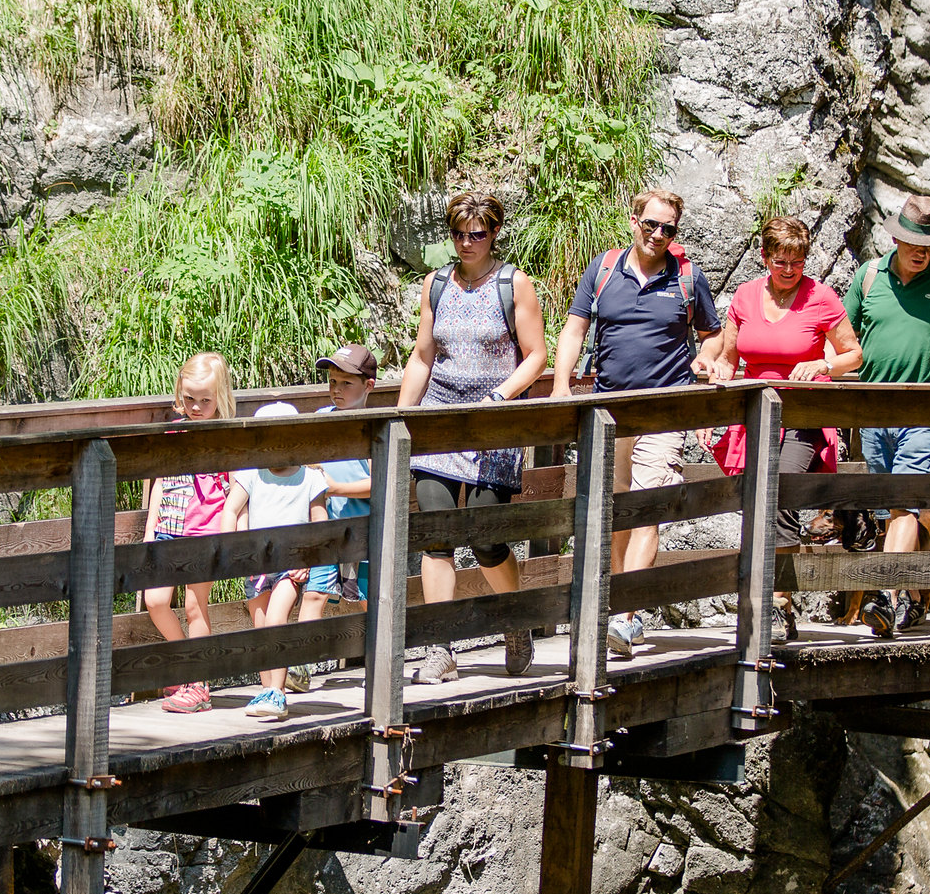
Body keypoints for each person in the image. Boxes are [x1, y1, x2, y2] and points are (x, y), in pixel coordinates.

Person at [550, 188, 723, 657]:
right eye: (652, 225)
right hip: (609, 412)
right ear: (634, 222)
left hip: (664, 413)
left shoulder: (687, 277)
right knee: (614, 512)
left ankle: (625, 618)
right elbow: (575, 327)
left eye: (669, 228)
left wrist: (707, 359)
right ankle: (612, 604)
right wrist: (562, 383)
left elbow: (712, 335)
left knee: (648, 508)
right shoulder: (604, 270)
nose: (659, 235)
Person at [397, 193, 549, 684]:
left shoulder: (513, 284)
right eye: (459, 234)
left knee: (485, 536)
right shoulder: (436, 283)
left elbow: (535, 355)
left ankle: (514, 619)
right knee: (437, 535)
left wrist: (501, 397)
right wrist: (403, 416)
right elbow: (423, 357)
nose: (466, 243)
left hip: (493, 422)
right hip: (441, 418)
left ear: (494, 234)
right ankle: (439, 647)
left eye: (477, 234)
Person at [702, 217, 862, 640]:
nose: (789, 270)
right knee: (758, 501)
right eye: (780, 261)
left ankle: (778, 603)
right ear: (764, 257)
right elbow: (730, 357)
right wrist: (719, 368)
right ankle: (772, 602)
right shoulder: (745, 295)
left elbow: (854, 354)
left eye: (797, 261)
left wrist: (824, 363)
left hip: (802, 413)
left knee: (779, 490)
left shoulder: (821, 297)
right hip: (756, 411)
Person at [843, 193, 930, 637]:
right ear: (896, 238)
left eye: (929, 244)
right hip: (874, 412)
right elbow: (842, 342)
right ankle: (915, 599)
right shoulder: (868, 278)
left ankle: (886, 593)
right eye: (913, 243)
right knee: (889, 509)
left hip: (925, 411)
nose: (922, 252)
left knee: (904, 502)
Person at [226, 402, 330, 721]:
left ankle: (278, 692)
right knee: (260, 630)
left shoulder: (310, 478)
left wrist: (309, 556)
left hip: (290, 564)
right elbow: (231, 510)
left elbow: (320, 522)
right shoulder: (252, 475)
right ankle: (268, 689)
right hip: (257, 562)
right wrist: (234, 550)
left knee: (276, 619)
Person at [146, 352, 235, 715]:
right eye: (189, 399)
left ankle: (197, 685)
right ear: (179, 395)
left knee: (195, 606)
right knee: (155, 601)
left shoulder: (223, 437)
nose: (196, 407)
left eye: (205, 400)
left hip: (205, 531)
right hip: (169, 527)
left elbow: (234, 491)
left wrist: (230, 536)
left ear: (220, 398)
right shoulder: (173, 430)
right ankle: (188, 665)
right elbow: (161, 481)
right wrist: (151, 528)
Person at [299, 344, 378, 617]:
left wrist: (335, 488)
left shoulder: (373, 427)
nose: (337, 389)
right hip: (324, 529)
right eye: (332, 381)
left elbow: (381, 483)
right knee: (313, 594)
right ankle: (301, 660)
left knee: (367, 599)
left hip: (360, 534)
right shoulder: (322, 419)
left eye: (346, 383)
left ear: (368, 385)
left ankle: (382, 656)